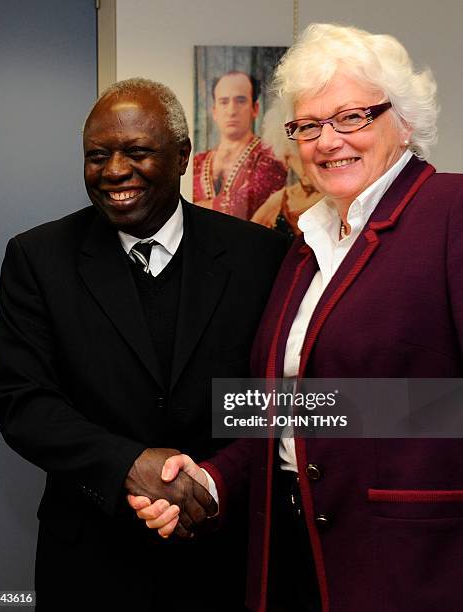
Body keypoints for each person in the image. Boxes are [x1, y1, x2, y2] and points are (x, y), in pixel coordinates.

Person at [129, 24, 463, 612]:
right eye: (308, 125)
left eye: (352, 117)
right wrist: (210, 478)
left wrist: (332, 410)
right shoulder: (306, 244)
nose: (328, 141)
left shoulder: (452, 213)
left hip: (412, 564)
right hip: (291, 550)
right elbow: (281, 407)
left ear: (404, 121)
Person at [0, 77, 287, 611]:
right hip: (89, 562)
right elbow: (21, 400)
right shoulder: (38, 258)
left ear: (181, 156)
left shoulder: (259, 256)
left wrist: (213, 483)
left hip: (223, 555)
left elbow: (274, 398)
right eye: (97, 156)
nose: (115, 171)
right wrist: (129, 463)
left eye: (137, 152)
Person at [193, 71, 287, 220]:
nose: (231, 111)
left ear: (255, 109)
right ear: (214, 111)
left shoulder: (271, 156)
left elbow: (245, 204)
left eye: (241, 101)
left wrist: (189, 209)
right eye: (224, 102)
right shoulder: (197, 162)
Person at [251, 100, 322, 240]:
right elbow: (247, 238)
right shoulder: (281, 199)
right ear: (286, 159)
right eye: (293, 156)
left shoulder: (336, 196)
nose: (303, 164)